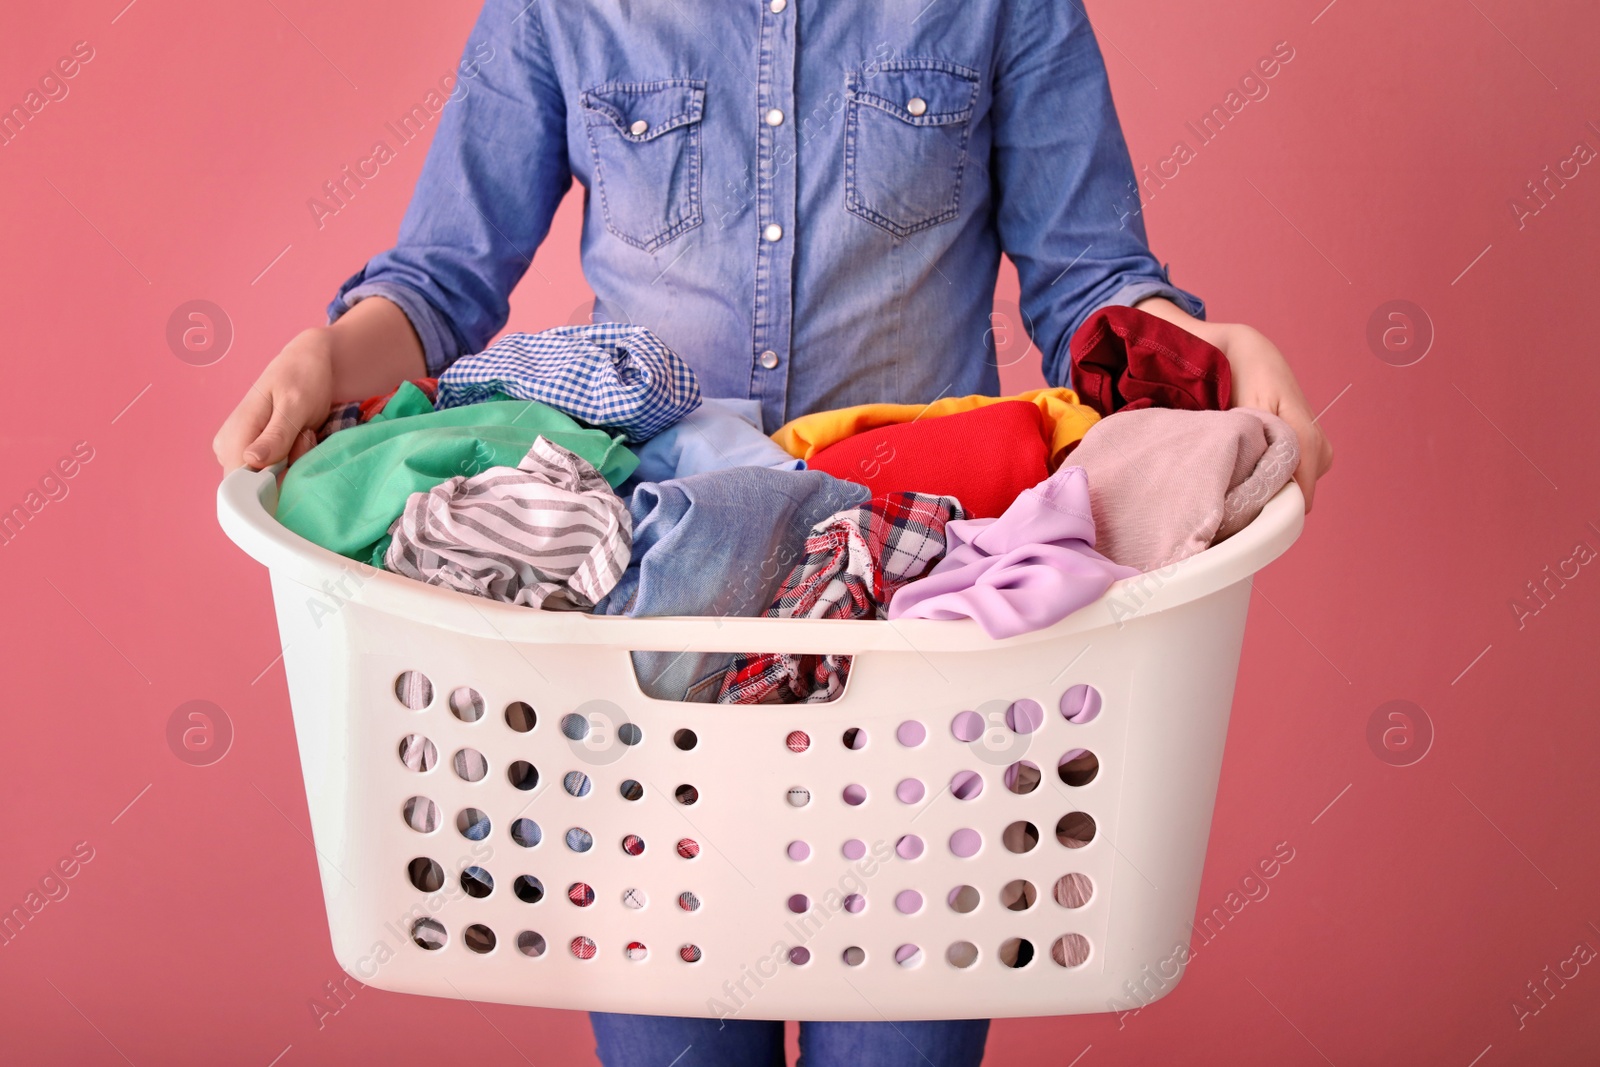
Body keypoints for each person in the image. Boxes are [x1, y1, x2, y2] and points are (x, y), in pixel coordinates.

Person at [213, 1, 1333, 1063]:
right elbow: (440, 282)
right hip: (656, 646)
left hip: (923, 643)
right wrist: (329, 357)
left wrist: (1204, 355)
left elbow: (1089, 279)